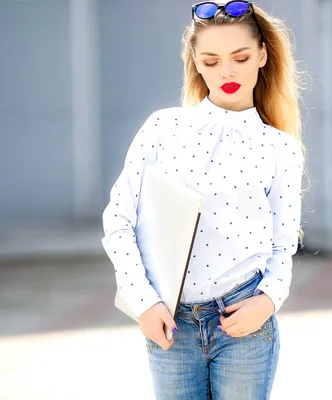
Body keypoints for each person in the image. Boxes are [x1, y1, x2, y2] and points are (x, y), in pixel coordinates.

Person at [101, 1, 306, 398]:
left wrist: (268, 300)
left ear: (262, 54)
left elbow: (283, 243)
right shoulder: (162, 128)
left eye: (240, 57)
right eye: (210, 61)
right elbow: (119, 220)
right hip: (170, 321)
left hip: (243, 321)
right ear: (195, 60)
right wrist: (143, 302)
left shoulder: (281, 148)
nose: (226, 72)